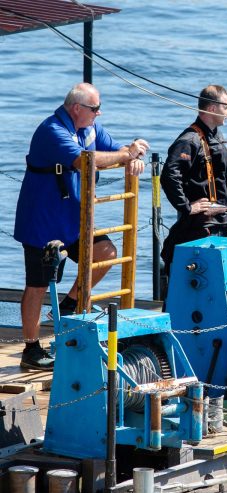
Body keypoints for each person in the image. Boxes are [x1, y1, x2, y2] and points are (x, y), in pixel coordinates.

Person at [14, 82, 149, 370]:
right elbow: (84, 160)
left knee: (107, 254)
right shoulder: (52, 131)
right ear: (77, 108)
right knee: (36, 286)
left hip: (75, 221)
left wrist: (135, 156)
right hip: (42, 222)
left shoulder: (90, 129)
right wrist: (126, 155)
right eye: (95, 108)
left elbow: (118, 150)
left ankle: (69, 303)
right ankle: (31, 348)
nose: (99, 114)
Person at [160, 85, 227, 270]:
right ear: (211, 108)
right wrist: (186, 207)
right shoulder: (190, 140)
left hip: (218, 219)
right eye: (226, 107)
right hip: (198, 223)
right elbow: (169, 175)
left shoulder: (217, 136)